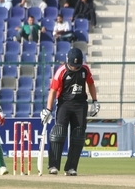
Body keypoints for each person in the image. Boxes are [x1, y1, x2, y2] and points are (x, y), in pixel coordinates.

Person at [41, 47, 99, 176]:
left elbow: (90, 84)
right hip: (64, 104)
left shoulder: (85, 69)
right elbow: (53, 91)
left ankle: (71, 167)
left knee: (78, 135)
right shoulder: (61, 71)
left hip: (80, 105)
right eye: (73, 65)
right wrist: (48, 109)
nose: (75, 68)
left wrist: (95, 101)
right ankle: (53, 166)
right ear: (68, 61)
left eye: (77, 65)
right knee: (58, 134)